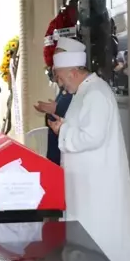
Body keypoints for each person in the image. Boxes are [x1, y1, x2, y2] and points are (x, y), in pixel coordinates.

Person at [48, 45, 130, 261]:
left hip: (97, 179)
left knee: (98, 225)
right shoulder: (84, 91)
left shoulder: (96, 93)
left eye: (60, 78)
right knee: (87, 225)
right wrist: (66, 125)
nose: (60, 83)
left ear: (73, 72)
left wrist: (63, 131)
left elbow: (92, 137)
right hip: (87, 178)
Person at [34, 37, 81, 165]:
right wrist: (52, 108)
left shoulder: (81, 88)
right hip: (58, 143)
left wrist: (54, 109)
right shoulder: (66, 84)